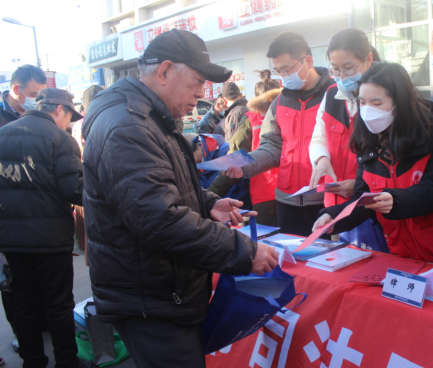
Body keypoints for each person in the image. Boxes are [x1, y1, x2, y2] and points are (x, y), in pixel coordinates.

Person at [81, 29, 277, 368]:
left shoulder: (149, 117)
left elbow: (157, 189)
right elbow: (160, 219)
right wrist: (245, 252)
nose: (202, 94)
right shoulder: (129, 124)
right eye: (197, 82)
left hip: (158, 290)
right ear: (165, 71)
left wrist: (206, 203)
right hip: (150, 299)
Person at [312, 62, 433, 263]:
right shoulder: (367, 140)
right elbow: (363, 199)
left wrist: (395, 200)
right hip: (400, 251)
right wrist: (334, 217)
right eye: (362, 102)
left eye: (376, 103)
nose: (367, 111)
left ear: (400, 102)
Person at [0, 88, 87, 368]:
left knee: (24, 303)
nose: (69, 123)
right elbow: (73, 189)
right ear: (60, 110)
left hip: (11, 239)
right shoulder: (59, 139)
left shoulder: (3, 134)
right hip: (50, 239)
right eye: (70, 117)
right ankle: (66, 362)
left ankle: (33, 362)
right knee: (58, 304)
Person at [223, 31, 335, 236]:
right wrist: (243, 165)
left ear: (308, 61)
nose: (283, 76)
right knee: (291, 261)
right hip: (286, 200)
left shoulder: (335, 95)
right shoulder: (280, 102)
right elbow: (271, 147)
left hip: (327, 199)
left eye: (287, 69)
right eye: (278, 71)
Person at [308, 27, 387, 251]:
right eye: (335, 69)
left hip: (371, 203)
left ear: (368, 59)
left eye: (349, 68)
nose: (342, 76)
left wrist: (360, 186)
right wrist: (321, 159)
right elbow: (319, 136)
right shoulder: (332, 95)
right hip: (335, 204)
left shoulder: (381, 97)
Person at [0, 64, 48, 355]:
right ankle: (21, 331)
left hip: (39, 211)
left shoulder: (35, 115)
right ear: (16, 90)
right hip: (8, 213)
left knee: (37, 280)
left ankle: (39, 323)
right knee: (13, 280)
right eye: (32, 94)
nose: (36, 101)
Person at [212, 70, 282, 226]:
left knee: (269, 242)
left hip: (264, 193)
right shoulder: (290, 113)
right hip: (296, 192)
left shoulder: (251, 118)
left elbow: (235, 158)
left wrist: (211, 193)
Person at [72, 85, 104, 261]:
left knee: (87, 226)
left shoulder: (78, 124)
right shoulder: (98, 120)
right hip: (95, 178)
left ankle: (89, 259)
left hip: (82, 176)